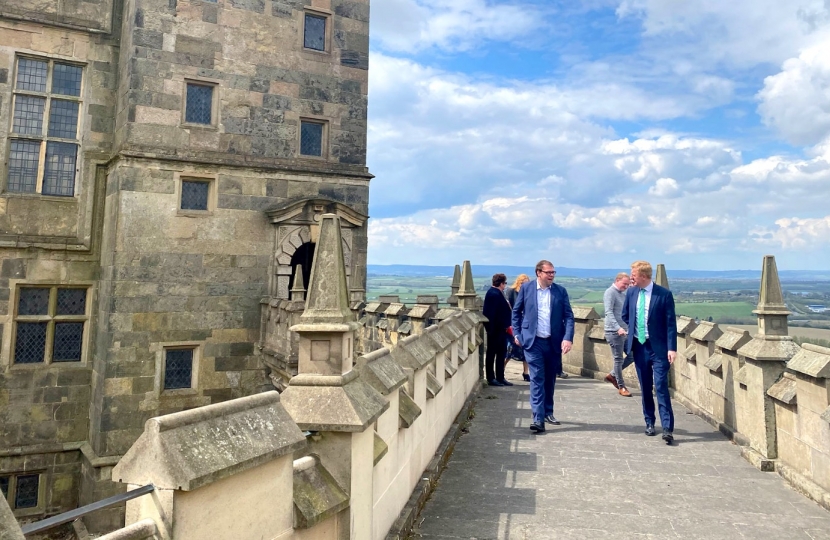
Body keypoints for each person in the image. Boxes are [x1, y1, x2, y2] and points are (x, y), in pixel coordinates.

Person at [511, 260, 574, 433]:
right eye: (548, 272)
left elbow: (568, 316)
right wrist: (517, 334)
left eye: (553, 272)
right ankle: (538, 418)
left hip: (553, 342)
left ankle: (548, 411)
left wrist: (567, 338)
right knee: (537, 377)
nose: (552, 275)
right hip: (533, 341)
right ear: (539, 273)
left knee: (549, 379)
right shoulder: (527, 289)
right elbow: (516, 312)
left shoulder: (560, 291)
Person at [622, 261, 678, 445]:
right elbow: (625, 315)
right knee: (645, 386)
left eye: (634, 275)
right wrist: (634, 331)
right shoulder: (631, 292)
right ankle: (650, 423)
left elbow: (671, 323)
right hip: (639, 346)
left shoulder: (664, 294)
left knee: (661, 386)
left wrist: (672, 348)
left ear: (644, 276)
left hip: (659, 348)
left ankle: (668, 428)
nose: (631, 278)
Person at [603, 272, 633, 397]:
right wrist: (617, 328)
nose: (625, 286)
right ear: (617, 280)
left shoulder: (622, 294)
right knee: (618, 359)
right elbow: (608, 312)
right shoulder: (610, 292)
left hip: (625, 331)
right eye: (624, 284)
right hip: (614, 332)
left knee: (633, 355)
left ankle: (612, 375)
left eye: (628, 284)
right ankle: (621, 386)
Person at [482, 273, 514, 387]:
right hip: (495, 331)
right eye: (505, 283)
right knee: (491, 354)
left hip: (502, 330)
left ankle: (500, 377)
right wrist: (491, 330)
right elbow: (489, 314)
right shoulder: (493, 294)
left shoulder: (498, 293)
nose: (505, 285)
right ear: (501, 283)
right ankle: (491, 378)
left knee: (501, 354)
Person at [505, 274, 531, 381]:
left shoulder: (529, 293)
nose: (524, 285)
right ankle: (501, 370)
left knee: (526, 350)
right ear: (518, 282)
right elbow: (509, 308)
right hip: (514, 325)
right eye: (522, 282)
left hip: (525, 325)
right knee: (510, 349)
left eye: (527, 283)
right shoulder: (511, 291)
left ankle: (526, 373)